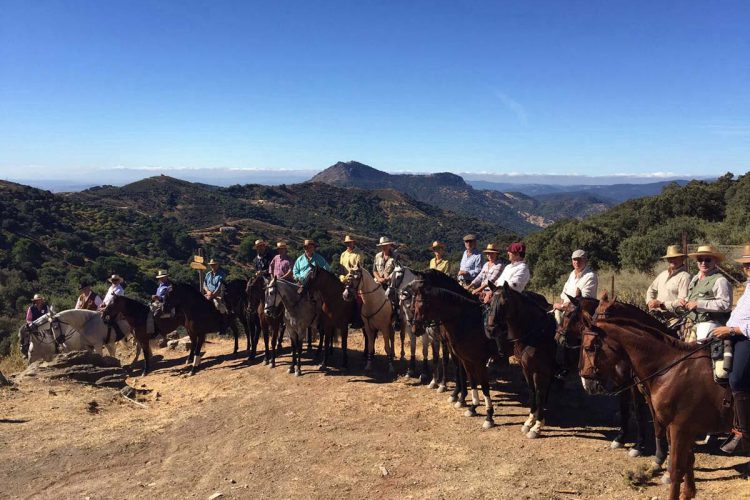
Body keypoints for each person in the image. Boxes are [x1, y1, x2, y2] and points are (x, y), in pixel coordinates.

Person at [712, 244, 750, 454]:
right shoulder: (748, 286)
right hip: (732, 332)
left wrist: (732, 329)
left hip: (745, 335)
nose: (748, 267)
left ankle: (743, 433)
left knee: (737, 379)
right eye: (746, 264)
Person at [680, 244, 732, 342]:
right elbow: (692, 296)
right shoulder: (696, 278)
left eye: (708, 260)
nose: (703, 263)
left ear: (715, 261)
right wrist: (685, 301)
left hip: (710, 323)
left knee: (699, 350)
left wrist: (698, 304)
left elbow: (726, 304)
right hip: (692, 322)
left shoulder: (720, 280)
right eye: (700, 259)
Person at [645, 245, 692, 321]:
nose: (672, 260)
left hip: (674, 318)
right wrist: (650, 302)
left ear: (682, 258)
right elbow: (651, 289)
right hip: (656, 315)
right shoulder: (663, 274)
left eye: (675, 257)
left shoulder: (685, 277)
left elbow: (682, 302)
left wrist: (661, 305)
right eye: (670, 258)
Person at [553, 250, 599, 318]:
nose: (576, 262)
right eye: (574, 259)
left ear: (586, 261)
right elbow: (564, 293)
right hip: (566, 311)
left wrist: (561, 306)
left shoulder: (591, 276)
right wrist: (561, 306)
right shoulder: (572, 274)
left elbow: (582, 301)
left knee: (558, 325)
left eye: (579, 259)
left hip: (581, 315)